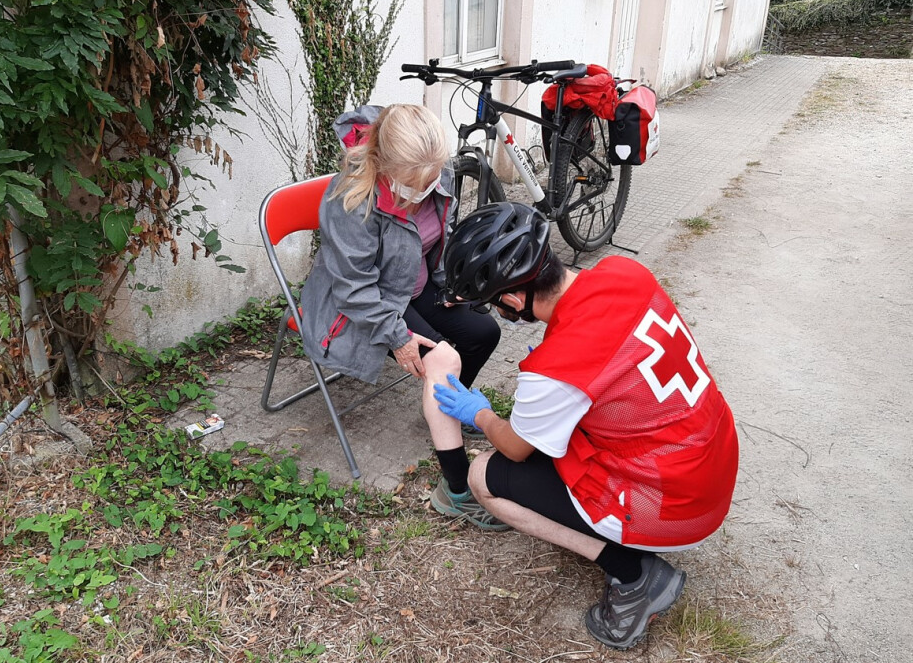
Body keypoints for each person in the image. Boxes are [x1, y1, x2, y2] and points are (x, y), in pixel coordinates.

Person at [433, 202, 739, 650]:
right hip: (711, 459)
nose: (496, 312)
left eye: (493, 305)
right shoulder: (624, 272)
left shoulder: (555, 370)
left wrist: (479, 413)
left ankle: (635, 577)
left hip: (675, 503)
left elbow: (517, 449)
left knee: (486, 476)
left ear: (515, 299)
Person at [299, 103, 504, 529]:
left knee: (482, 331)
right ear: (384, 165)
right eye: (415, 182)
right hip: (362, 306)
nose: (428, 187)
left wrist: (448, 285)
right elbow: (353, 289)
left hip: (410, 286)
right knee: (444, 359)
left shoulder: (435, 171)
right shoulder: (350, 201)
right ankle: (456, 491)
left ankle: (443, 408)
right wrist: (398, 337)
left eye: (433, 178)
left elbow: (435, 241)